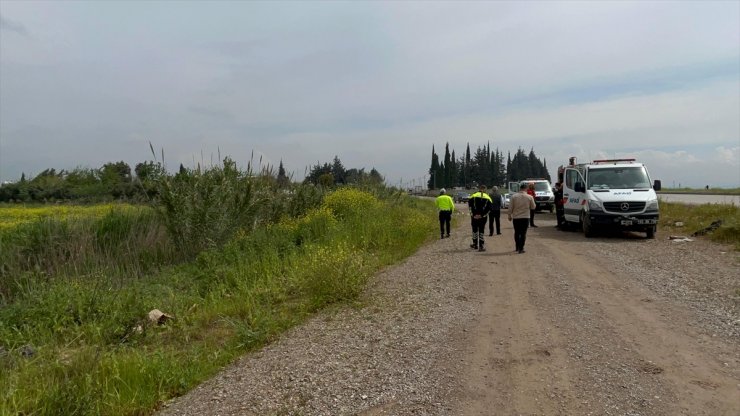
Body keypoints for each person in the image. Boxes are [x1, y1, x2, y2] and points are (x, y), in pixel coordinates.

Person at [508, 182, 536, 254]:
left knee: (517, 232)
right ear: (526, 188)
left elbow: (510, 207)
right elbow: (533, 207)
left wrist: (509, 215)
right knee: (523, 233)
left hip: (516, 217)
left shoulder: (514, 196)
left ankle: (517, 247)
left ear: (520, 188)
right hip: (525, 217)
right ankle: (521, 248)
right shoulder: (530, 197)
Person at [468, 184, 492, 251]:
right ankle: (481, 246)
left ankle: (475, 244)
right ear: (485, 189)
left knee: (474, 230)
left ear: (479, 189)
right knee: (481, 231)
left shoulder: (473, 196)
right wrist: (482, 215)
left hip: (474, 217)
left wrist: (473, 215)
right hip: (483, 218)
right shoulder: (488, 197)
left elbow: (470, 206)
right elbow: (489, 209)